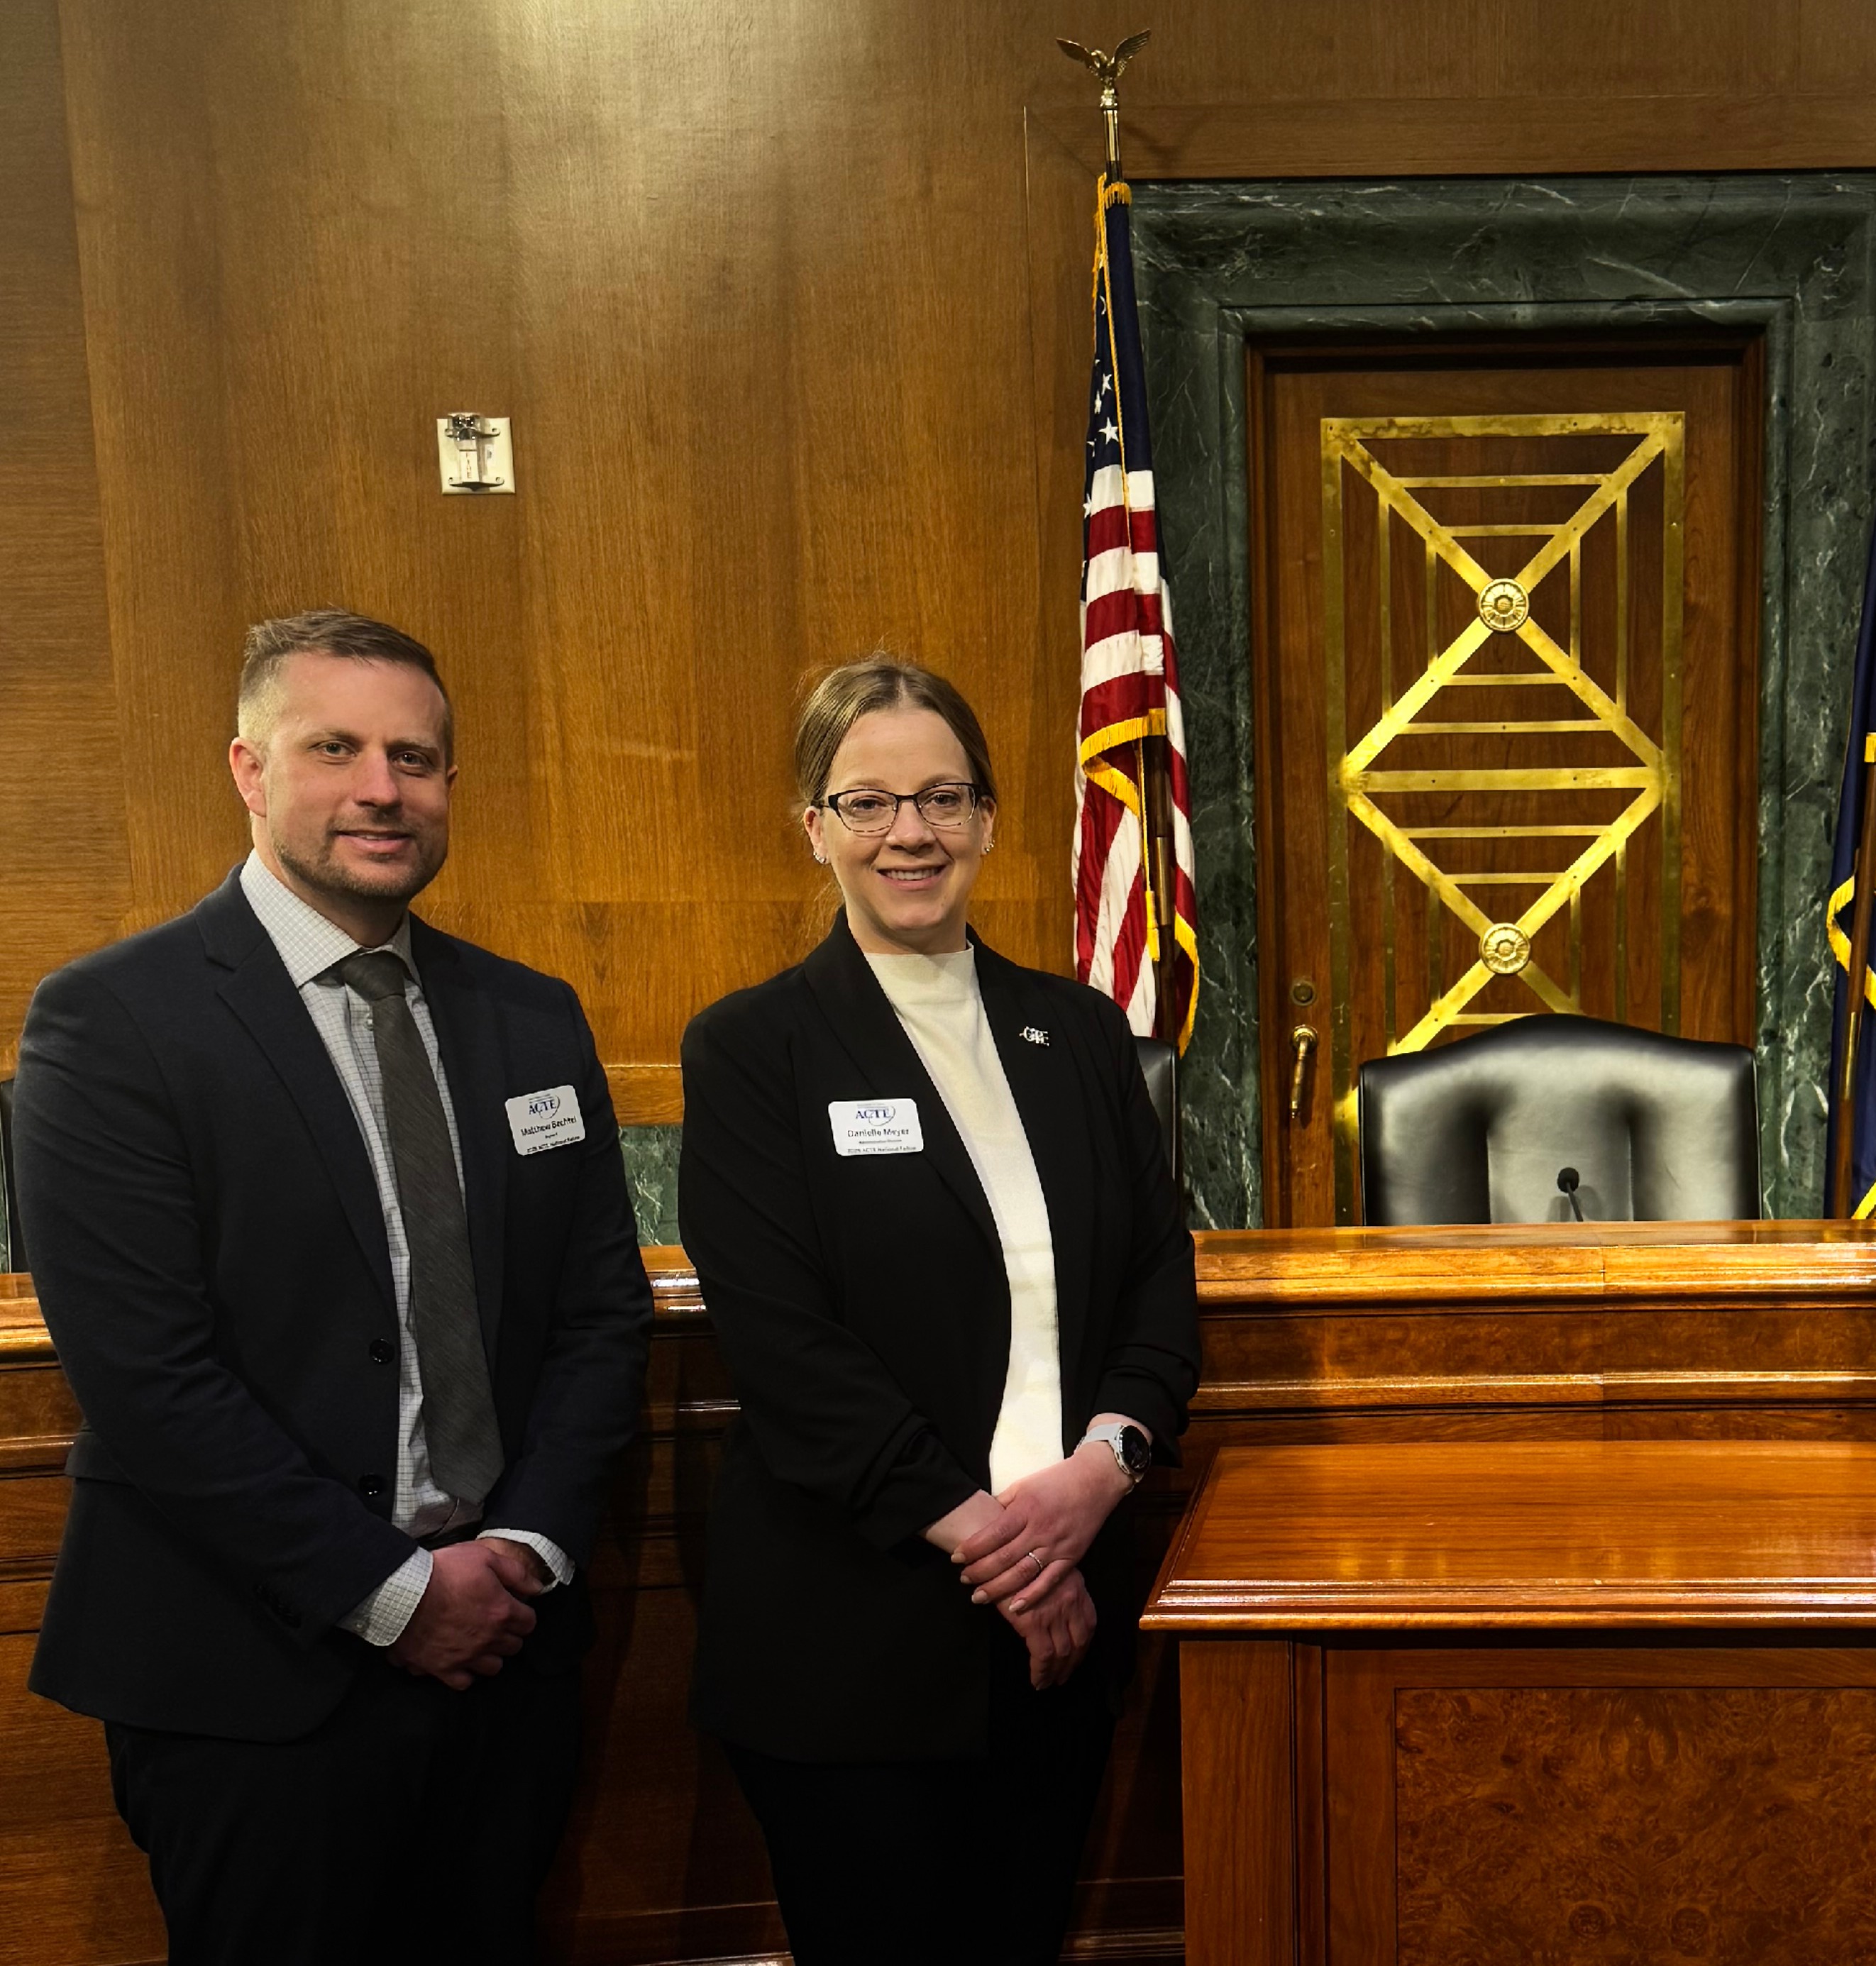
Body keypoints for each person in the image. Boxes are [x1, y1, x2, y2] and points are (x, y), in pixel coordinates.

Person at [14, 610, 654, 1964]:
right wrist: (393, 1593)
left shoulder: (532, 1017)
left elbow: (600, 1316)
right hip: (253, 1677)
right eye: (335, 749)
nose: (381, 788)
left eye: (413, 759)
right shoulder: (113, 1020)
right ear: (248, 770)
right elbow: (146, 1374)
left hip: (505, 1653)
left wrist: (523, 1550)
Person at [680, 656, 1198, 1965]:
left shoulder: (1080, 1033)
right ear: (816, 828)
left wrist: (1105, 1471)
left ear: (988, 818)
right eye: (869, 802)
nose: (910, 832)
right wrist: (1001, 1550)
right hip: (854, 1643)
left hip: (1066, 1623)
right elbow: (788, 1351)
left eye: (943, 797)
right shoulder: (752, 1049)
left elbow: (1158, 1286)